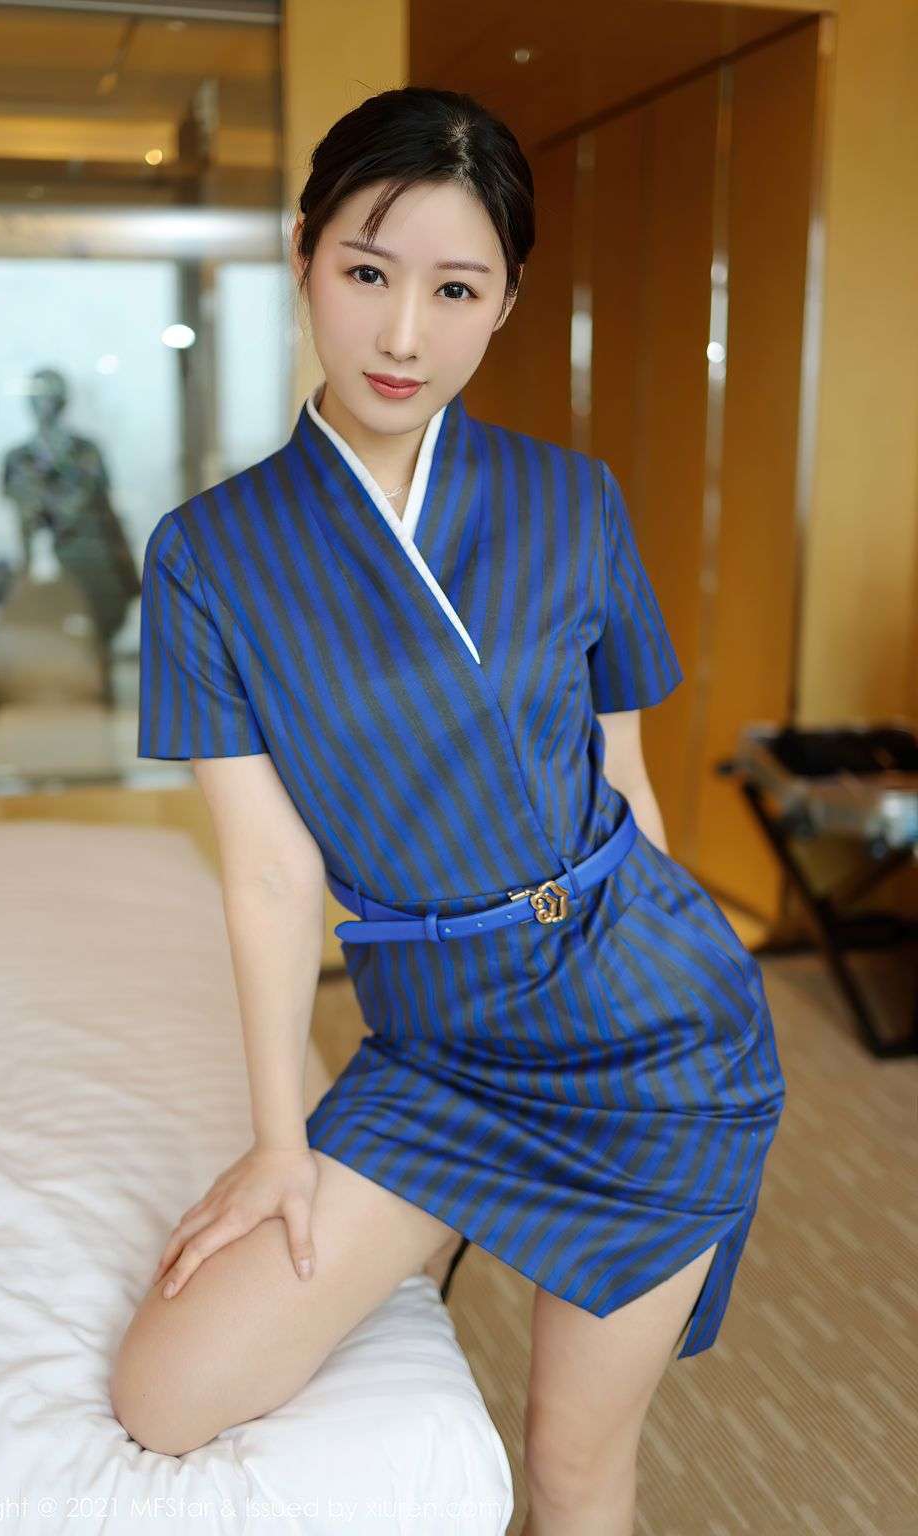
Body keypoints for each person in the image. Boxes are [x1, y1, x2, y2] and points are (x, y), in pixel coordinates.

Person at [110, 86, 787, 1533]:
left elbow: (626, 788)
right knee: (166, 1390)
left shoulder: (576, 503)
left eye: (456, 289)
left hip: (652, 1039)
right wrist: (281, 1143)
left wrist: (679, 961)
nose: (404, 334)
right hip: (435, 1052)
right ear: (303, 256)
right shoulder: (207, 557)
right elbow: (272, 874)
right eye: (367, 272)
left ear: (504, 307)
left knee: (570, 1465)